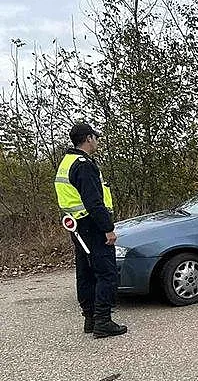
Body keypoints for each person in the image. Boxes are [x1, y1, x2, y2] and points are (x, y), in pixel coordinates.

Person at [54, 123, 127, 338]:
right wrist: (108, 229)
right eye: (96, 137)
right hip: (91, 225)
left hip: (77, 226)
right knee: (106, 272)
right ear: (88, 138)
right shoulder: (84, 164)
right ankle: (103, 321)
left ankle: (90, 319)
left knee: (85, 272)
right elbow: (94, 202)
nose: (97, 141)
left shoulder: (66, 162)